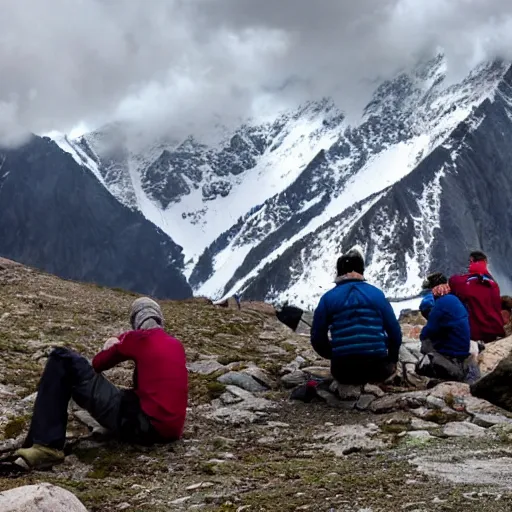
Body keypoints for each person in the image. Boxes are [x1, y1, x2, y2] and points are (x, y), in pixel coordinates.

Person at [15, 297, 188, 470]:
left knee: (62, 359)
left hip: (144, 426)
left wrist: (115, 342)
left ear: (136, 321)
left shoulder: (139, 339)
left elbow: (99, 363)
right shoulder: (176, 344)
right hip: (170, 431)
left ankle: (46, 446)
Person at [310, 246, 402, 385]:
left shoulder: (327, 299)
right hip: (379, 370)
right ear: (361, 271)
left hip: (344, 372)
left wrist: (334, 355)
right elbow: (395, 333)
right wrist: (392, 359)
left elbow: (317, 337)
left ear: (339, 272)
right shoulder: (377, 294)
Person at [415, 274, 477, 383]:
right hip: (462, 349)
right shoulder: (454, 299)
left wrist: (423, 338)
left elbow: (428, 331)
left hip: (452, 354)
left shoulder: (440, 304)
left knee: (426, 344)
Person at [449, 251, 505, 343]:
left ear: (471, 261)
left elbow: (453, 281)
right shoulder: (494, 284)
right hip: (496, 330)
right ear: (485, 262)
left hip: (478, 334)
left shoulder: (468, 282)